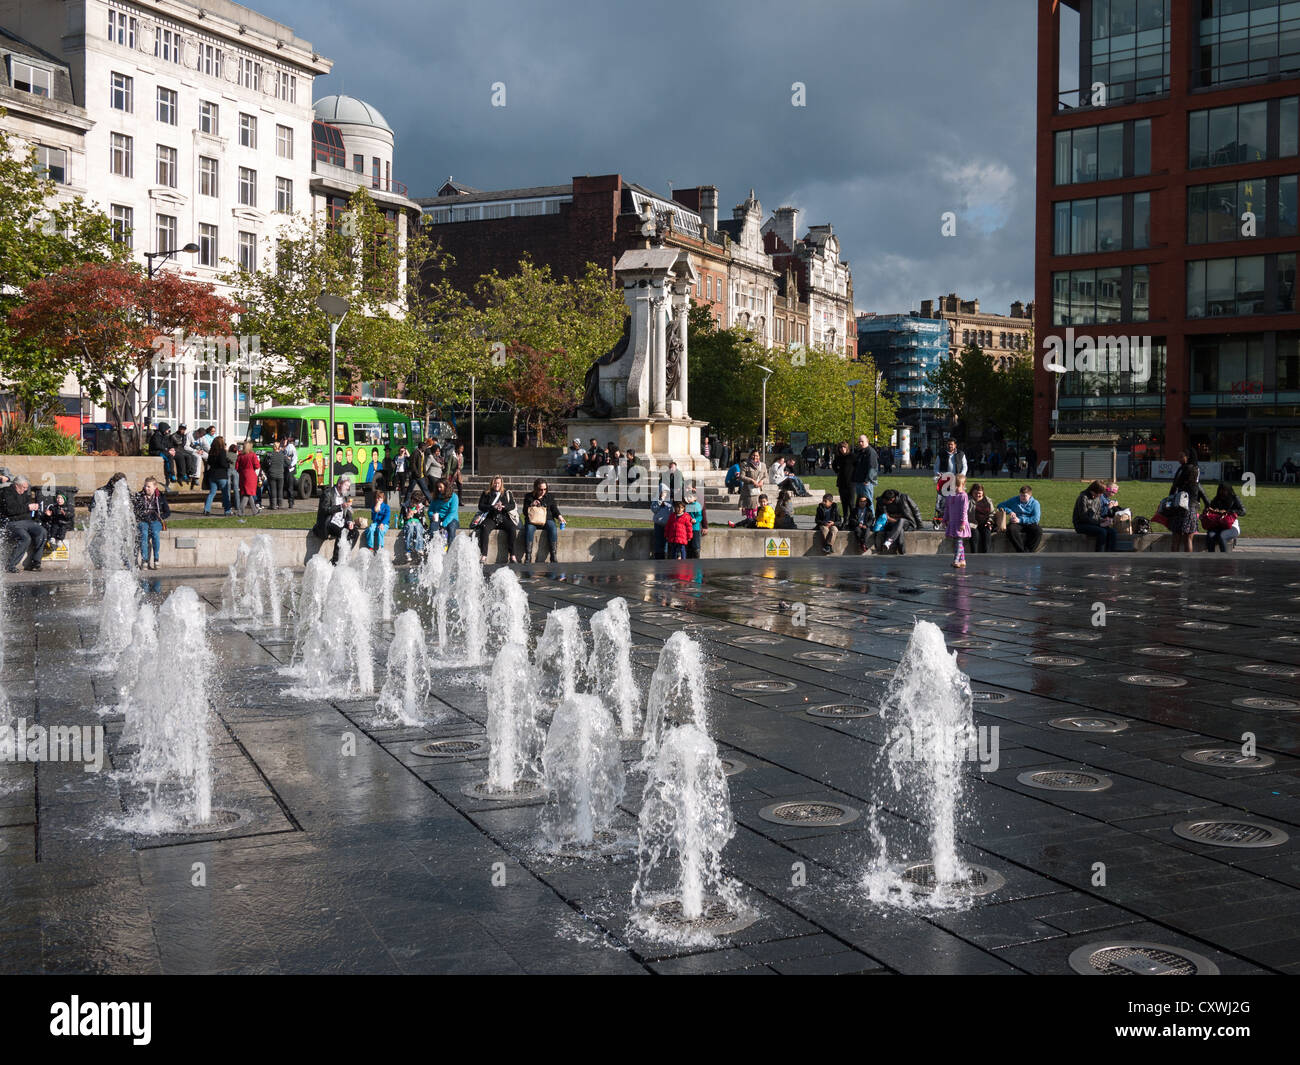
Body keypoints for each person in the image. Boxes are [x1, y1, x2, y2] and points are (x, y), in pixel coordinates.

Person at [0, 476, 48, 572]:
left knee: (42, 532)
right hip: (12, 522)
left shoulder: (25, 493)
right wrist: (28, 508)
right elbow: (10, 510)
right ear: (16, 485)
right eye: (23, 487)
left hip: (27, 521)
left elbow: (27, 509)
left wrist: (35, 510)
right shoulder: (6, 493)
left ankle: (35, 562)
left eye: (26, 488)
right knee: (25, 538)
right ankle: (11, 565)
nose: (25, 490)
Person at [312, 475, 359, 564]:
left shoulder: (344, 496)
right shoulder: (327, 493)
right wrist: (340, 506)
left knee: (355, 532)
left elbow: (348, 512)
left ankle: (344, 555)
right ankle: (335, 561)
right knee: (342, 533)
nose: (347, 488)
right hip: (328, 521)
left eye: (348, 486)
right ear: (339, 484)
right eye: (346, 486)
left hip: (340, 521)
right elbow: (324, 510)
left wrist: (349, 522)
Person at [1169, 453, 1209, 553]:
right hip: (1191, 511)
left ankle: (1173, 561)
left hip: (1179, 509)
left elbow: (1172, 491)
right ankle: (1188, 561)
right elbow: (1206, 500)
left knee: (1175, 540)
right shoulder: (1196, 485)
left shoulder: (1180, 482)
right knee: (1188, 540)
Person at [475, 475, 519, 563]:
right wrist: (492, 507)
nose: (496, 485)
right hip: (491, 518)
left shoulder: (507, 493)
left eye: (498, 483)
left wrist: (504, 507)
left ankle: (512, 555)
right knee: (484, 528)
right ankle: (484, 555)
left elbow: (512, 505)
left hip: (503, 518)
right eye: (495, 483)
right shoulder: (486, 493)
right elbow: (481, 506)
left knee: (512, 528)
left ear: (501, 483)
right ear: (492, 483)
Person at [133, 476, 170, 570]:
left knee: (155, 533)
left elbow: (167, 512)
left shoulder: (160, 496)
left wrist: (159, 517)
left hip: (156, 520)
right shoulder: (139, 496)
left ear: (155, 487)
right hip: (143, 520)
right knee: (144, 534)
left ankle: (156, 559)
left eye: (149, 486)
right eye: (145, 486)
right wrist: (142, 516)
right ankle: (144, 560)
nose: (146, 488)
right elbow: (134, 511)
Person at [522, 478, 563, 564]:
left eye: (545, 489)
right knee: (529, 529)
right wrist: (531, 504)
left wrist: (559, 517)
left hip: (547, 519)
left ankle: (553, 555)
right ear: (536, 488)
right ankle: (528, 556)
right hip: (532, 520)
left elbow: (554, 509)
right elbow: (524, 512)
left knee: (552, 528)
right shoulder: (529, 496)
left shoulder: (549, 497)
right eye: (541, 489)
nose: (543, 491)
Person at [874, 488, 922, 555]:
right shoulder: (881, 501)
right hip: (890, 524)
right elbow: (880, 516)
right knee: (900, 529)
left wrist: (920, 525)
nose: (884, 502)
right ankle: (902, 552)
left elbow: (915, 510)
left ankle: (889, 541)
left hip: (907, 522)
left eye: (886, 501)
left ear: (892, 499)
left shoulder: (904, 498)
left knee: (901, 521)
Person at [1073, 479, 1117, 551]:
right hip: (1081, 525)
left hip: (1093, 523)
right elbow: (1083, 517)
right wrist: (1099, 524)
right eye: (1100, 493)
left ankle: (1110, 554)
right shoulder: (1083, 497)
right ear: (1094, 490)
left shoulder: (1097, 498)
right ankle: (1099, 555)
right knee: (1102, 532)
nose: (1101, 495)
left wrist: (1104, 520)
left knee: (1113, 532)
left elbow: (1097, 514)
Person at [933, 437, 968, 527]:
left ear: (955, 445)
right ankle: (942, 519)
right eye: (948, 444)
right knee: (943, 500)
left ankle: (956, 518)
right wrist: (938, 474)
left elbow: (965, 466)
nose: (950, 446)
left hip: (957, 480)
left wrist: (961, 475)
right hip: (945, 480)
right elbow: (936, 466)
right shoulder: (941, 454)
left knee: (957, 499)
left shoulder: (961, 454)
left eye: (951, 444)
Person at [998, 485, 1043, 552]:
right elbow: (1000, 505)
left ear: (1030, 495)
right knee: (1011, 530)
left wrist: (1020, 520)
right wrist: (1010, 511)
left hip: (1029, 522)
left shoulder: (1035, 503)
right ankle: (1021, 551)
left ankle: (1028, 551)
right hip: (1015, 523)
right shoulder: (1014, 500)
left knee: (1038, 531)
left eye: (1024, 496)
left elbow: (1036, 519)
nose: (1022, 497)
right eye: (1021, 495)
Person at [1202, 483, 1246, 552]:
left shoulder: (1234, 498)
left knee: (1222, 536)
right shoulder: (1216, 499)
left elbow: (1243, 511)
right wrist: (1210, 510)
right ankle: (1211, 558)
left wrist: (1228, 511)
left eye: (1224, 491)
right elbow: (1210, 509)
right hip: (1217, 525)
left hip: (1231, 525)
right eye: (1220, 490)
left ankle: (1225, 559)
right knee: (1210, 536)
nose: (1222, 493)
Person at [943, 473, 971, 568]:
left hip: (960, 522)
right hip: (953, 522)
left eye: (957, 486)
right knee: (957, 541)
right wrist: (945, 519)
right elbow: (947, 508)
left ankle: (956, 560)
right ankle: (962, 560)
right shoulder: (950, 496)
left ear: (963, 485)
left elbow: (964, 510)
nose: (955, 488)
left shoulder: (964, 496)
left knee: (958, 541)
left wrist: (963, 522)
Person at [202, 436, 232, 516]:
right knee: (225, 494)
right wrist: (228, 464)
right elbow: (222, 463)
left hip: (212, 475)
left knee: (212, 493)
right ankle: (227, 511)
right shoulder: (222, 451)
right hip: (221, 474)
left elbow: (210, 463)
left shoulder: (211, 452)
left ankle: (206, 509)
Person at [850, 434, 879, 511]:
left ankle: (871, 521)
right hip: (859, 481)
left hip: (866, 482)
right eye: (859, 441)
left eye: (862, 441)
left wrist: (867, 480)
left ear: (867, 441)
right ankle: (862, 520)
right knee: (860, 503)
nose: (860, 443)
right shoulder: (860, 452)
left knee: (868, 502)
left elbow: (872, 467)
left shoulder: (871, 452)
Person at [429, 477, 460, 549]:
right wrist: (432, 515)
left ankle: (450, 551)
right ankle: (433, 550)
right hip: (438, 517)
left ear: (446, 487)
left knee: (451, 529)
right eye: (438, 487)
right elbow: (430, 510)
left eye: (440, 487)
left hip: (452, 519)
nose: (439, 489)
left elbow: (452, 513)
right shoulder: (436, 497)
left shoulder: (454, 497)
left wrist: (443, 524)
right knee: (433, 529)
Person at [967, 482, 995, 554]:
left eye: (979, 493)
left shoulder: (988, 500)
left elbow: (992, 513)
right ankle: (974, 554)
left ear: (983, 493)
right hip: (972, 524)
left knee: (987, 533)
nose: (977, 495)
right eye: (975, 493)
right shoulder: (967, 500)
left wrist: (989, 521)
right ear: (972, 492)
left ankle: (986, 554)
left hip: (985, 523)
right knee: (975, 535)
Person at [235, 441, 261, 516]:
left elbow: (237, 467)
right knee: (248, 494)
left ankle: (254, 511)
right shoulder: (252, 455)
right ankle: (240, 511)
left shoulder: (240, 456)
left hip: (243, 475)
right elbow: (257, 466)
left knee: (247, 493)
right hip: (251, 475)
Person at [401, 492, 429, 559]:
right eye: (413, 502)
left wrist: (416, 513)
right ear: (411, 499)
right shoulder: (405, 506)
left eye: (416, 503)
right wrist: (407, 516)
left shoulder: (420, 507)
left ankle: (419, 548)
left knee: (418, 528)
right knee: (410, 529)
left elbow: (422, 518)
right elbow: (402, 518)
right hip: (408, 522)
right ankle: (408, 550)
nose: (414, 504)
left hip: (418, 522)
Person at [262, 440, 287, 511]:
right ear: (279, 447)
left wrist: (267, 471)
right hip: (280, 475)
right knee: (280, 490)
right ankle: (280, 505)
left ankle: (273, 505)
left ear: (273, 447)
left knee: (273, 490)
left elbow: (264, 464)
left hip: (272, 474)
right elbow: (288, 463)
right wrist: (282, 466)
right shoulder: (282, 455)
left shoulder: (269, 454)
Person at [738, 450, 765, 516]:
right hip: (748, 490)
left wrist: (762, 481)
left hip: (758, 490)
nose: (755, 457)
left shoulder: (763, 465)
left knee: (758, 507)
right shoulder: (745, 464)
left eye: (757, 456)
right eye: (753, 455)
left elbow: (765, 476)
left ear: (759, 456)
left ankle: (755, 522)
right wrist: (752, 481)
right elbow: (741, 477)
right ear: (750, 455)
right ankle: (749, 521)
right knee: (749, 507)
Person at [683, 486, 707, 558]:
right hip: (687, 528)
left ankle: (696, 557)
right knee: (688, 545)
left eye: (690, 497)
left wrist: (695, 520)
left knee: (695, 545)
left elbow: (700, 516)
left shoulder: (697, 505)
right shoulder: (687, 506)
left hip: (695, 528)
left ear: (695, 498)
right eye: (688, 497)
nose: (688, 498)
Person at [149, 421, 175, 486]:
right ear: (163, 429)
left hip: (162, 451)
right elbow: (157, 446)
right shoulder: (156, 436)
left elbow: (168, 444)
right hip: (155, 451)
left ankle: (180, 475)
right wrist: (167, 450)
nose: (168, 431)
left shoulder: (164, 436)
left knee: (177, 455)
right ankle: (171, 475)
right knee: (168, 457)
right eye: (167, 429)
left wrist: (171, 448)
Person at [832, 441, 854, 518]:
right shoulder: (838, 457)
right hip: (841, 483)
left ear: (847, 448)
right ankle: (845, 518)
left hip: (851, 483)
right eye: (841, 447)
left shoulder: (852, 456)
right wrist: (837, 471)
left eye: (844, 447)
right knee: (844, 503)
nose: (842, 449)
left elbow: (857, 467)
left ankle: (852, 519)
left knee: (851, 503)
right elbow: (834, 465)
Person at [651, 488, 673, 560]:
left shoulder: (671, 500)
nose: (664, 493)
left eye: (666, 492)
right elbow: (654, 509)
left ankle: (666, 557)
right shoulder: (656, 500)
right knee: (658, 542)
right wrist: (660, 500)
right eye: (662, 491)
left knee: (668, 543)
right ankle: (658, 557)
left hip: (669, 525)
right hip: (659, 524)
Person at [283, 435, 298, 509]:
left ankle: (291, 501)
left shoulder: (290, 447)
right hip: (290, 468)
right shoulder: (291, 447)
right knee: (290, 486)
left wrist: (290, 465)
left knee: (289, 486)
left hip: (289, 469)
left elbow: (294, 458)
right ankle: (291, 501)